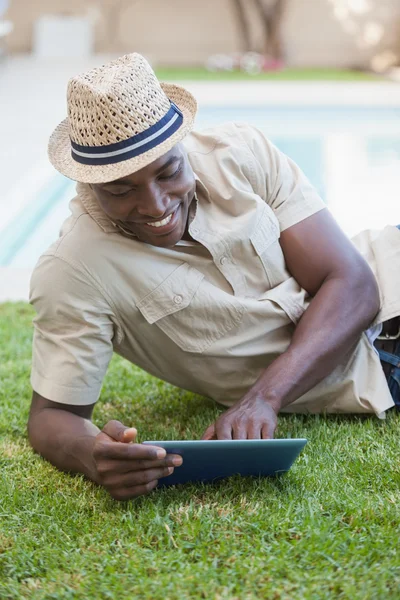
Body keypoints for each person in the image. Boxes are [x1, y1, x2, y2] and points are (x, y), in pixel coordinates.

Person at [27, 53, 400, 501]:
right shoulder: (74, 269)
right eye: (121, 190)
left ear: (181, 144)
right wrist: (91, 454)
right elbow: (52, 417)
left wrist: (264, 396)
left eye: (169, 172)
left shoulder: (240, 152)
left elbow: (353, 283)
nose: (155, 205)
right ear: (88, 182)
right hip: (380, 370)